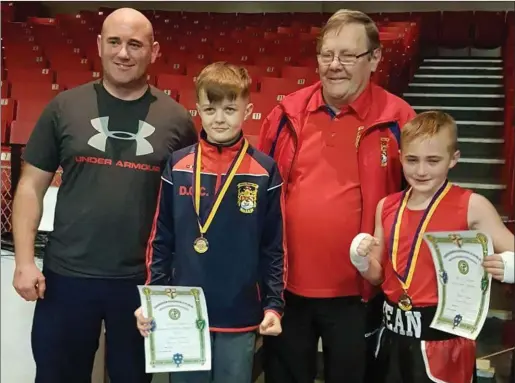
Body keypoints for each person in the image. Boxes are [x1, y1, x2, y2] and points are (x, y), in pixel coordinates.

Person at [11, 8, 197, 383]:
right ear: (99, 45)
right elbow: (31, 186)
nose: (123, 53)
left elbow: (187, 207)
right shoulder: (64, 108)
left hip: (141, 280)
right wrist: (25, 261)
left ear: (154, 51)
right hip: (67, 276)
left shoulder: (177, 120)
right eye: (114, 42)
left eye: (134, 44)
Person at [257, 9, 416, 383]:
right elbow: (258, 190)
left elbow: (419, 202)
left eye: (348, 55)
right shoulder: (285, 113)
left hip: (359, 294)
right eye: (327, 55)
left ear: (374, 58)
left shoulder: (399, 119)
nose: (334, 65)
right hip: (287, 289)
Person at [135, 62, 285, 383]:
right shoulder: (178, 164)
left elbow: (273, 247)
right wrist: (153, 297)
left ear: (248, 109)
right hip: (184, 313)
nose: (220, 118)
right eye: (210, 108)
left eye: (230, 108)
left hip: (240, 311)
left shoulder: (264, 170)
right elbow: (161, 239)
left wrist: (274, 305)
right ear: (198, 109)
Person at [349, 111, 515, 383]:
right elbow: (379, 275)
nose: (421, 170)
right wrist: (361, 260)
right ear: (400, 156)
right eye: (412, 160)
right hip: (392, 333)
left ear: (454, 159)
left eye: (433, 161)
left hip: (443, 341)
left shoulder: (472, 205)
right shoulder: (387, 206)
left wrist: (511, 266)